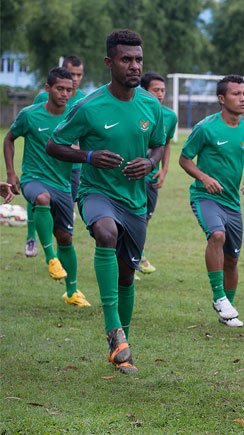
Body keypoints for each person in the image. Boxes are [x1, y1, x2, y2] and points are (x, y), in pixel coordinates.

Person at [46, 29, 166, 375]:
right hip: (96, 193)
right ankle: (113, 330)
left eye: (138, 59)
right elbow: (55, 145)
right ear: (109, 62)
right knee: (105, 233)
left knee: (127, 276)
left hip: (134, 200)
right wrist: (88, 156)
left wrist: (152, 161)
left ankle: (120, 345)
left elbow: (157, 144)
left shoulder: (151, 106)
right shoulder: (89, 106)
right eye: (126, 59)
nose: (134, 66)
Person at [180, 75, 244, 327]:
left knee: (232, 258)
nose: (243, 98)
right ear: (222, 99)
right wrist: (204, 177)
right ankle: (219, 297)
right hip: (205, 197)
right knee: (217, 235)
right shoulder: (206, 128)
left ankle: (228, 310)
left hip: (233, 202)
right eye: (236, 94)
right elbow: (185, 159)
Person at [4, 67, 90, 306]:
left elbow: (82, 145)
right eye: (60, 89)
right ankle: (50, 257)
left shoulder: (74, 116)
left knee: (66, 238)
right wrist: (11, 172)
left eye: (69, 90)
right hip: (33, 178)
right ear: (48, 89)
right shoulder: (29, 115)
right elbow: (9, 138)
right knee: (41, 199)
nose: (65, 94)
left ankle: (72, 291)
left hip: (62, 183)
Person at [26, 55, 86, 257]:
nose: (75, 78)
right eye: (72, 74)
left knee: (63, 215)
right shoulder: (44, 98)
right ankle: (31, 238)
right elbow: (32, 122)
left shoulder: (84, 100)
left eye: (79, 75)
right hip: (43, 165)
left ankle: (60, 259)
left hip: (72, 168)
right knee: (39, 198)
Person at [138, 71, 178, 274]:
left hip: (152, 175)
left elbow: (166, 144)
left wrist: (164, 170)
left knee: (145, 217)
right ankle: (127, 257)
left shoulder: (169, 116)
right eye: (156, 90)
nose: (160, 94)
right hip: (132, 174)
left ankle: (139, 254)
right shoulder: (135, 110)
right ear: (144, 90)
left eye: (163, 90)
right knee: (128, 214)